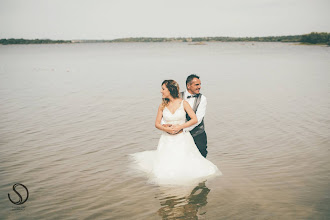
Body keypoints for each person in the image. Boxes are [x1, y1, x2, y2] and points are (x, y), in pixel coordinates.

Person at [130, 80, 221, 185]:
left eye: (163, 89)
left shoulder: (183, 103)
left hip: (182, 138)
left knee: (183, 162)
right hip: (166, 139)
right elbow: (157, 124)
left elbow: (194, 119)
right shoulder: (162, 105)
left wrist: (181, 127)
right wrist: (166, 129)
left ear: (170, 90)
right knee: (167, 164)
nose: (161, 91)